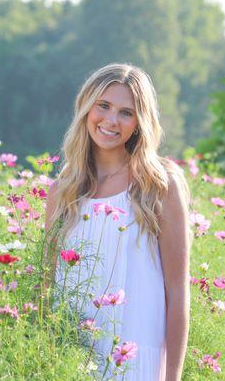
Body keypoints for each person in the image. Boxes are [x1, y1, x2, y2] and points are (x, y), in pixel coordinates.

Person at [42, 63, 191, 381]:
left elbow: (177, 290)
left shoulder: (159, 185)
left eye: (126, 112)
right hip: (72, 359)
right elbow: (47, 285)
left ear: (140, 123)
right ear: (86, 106)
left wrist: (172, 377)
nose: (111, 121)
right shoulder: (62, 192)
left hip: (136, 360)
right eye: (104, 106)